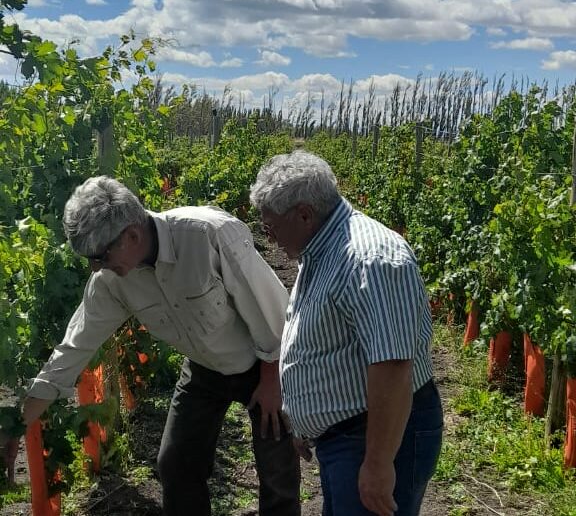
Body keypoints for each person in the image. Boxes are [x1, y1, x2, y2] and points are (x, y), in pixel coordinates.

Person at [6, 176, 301, 516]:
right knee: (175, 465)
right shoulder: (112, 280)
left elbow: (276, 318)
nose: (94, 267)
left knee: (277, 474)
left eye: (99, 256)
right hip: (203, 368)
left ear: (131, 235)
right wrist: (19, 422)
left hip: (267, 364)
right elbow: (72, 351)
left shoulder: (209, 236)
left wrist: (272, 381)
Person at [249, 150, 443, 516]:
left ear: (304, 214)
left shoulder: (371, 259)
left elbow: (393, 368)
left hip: (377, 436)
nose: (270, 239)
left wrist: (378, 463)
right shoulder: (323, 248)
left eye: (271, 227)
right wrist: (306, 415)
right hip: (348, 437)